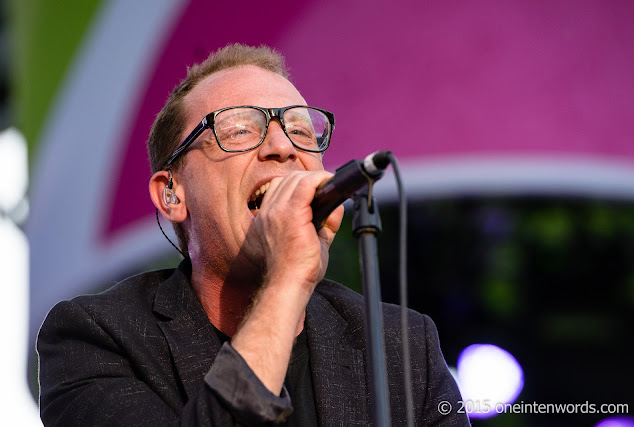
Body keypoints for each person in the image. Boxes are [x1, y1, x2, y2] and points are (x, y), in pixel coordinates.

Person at [37, 44, 469, 426]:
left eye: (302, 130)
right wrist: (287, 282)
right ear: (171, 194)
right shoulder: (96, 337)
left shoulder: (404, 346)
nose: (283, 146)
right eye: (239, 129)